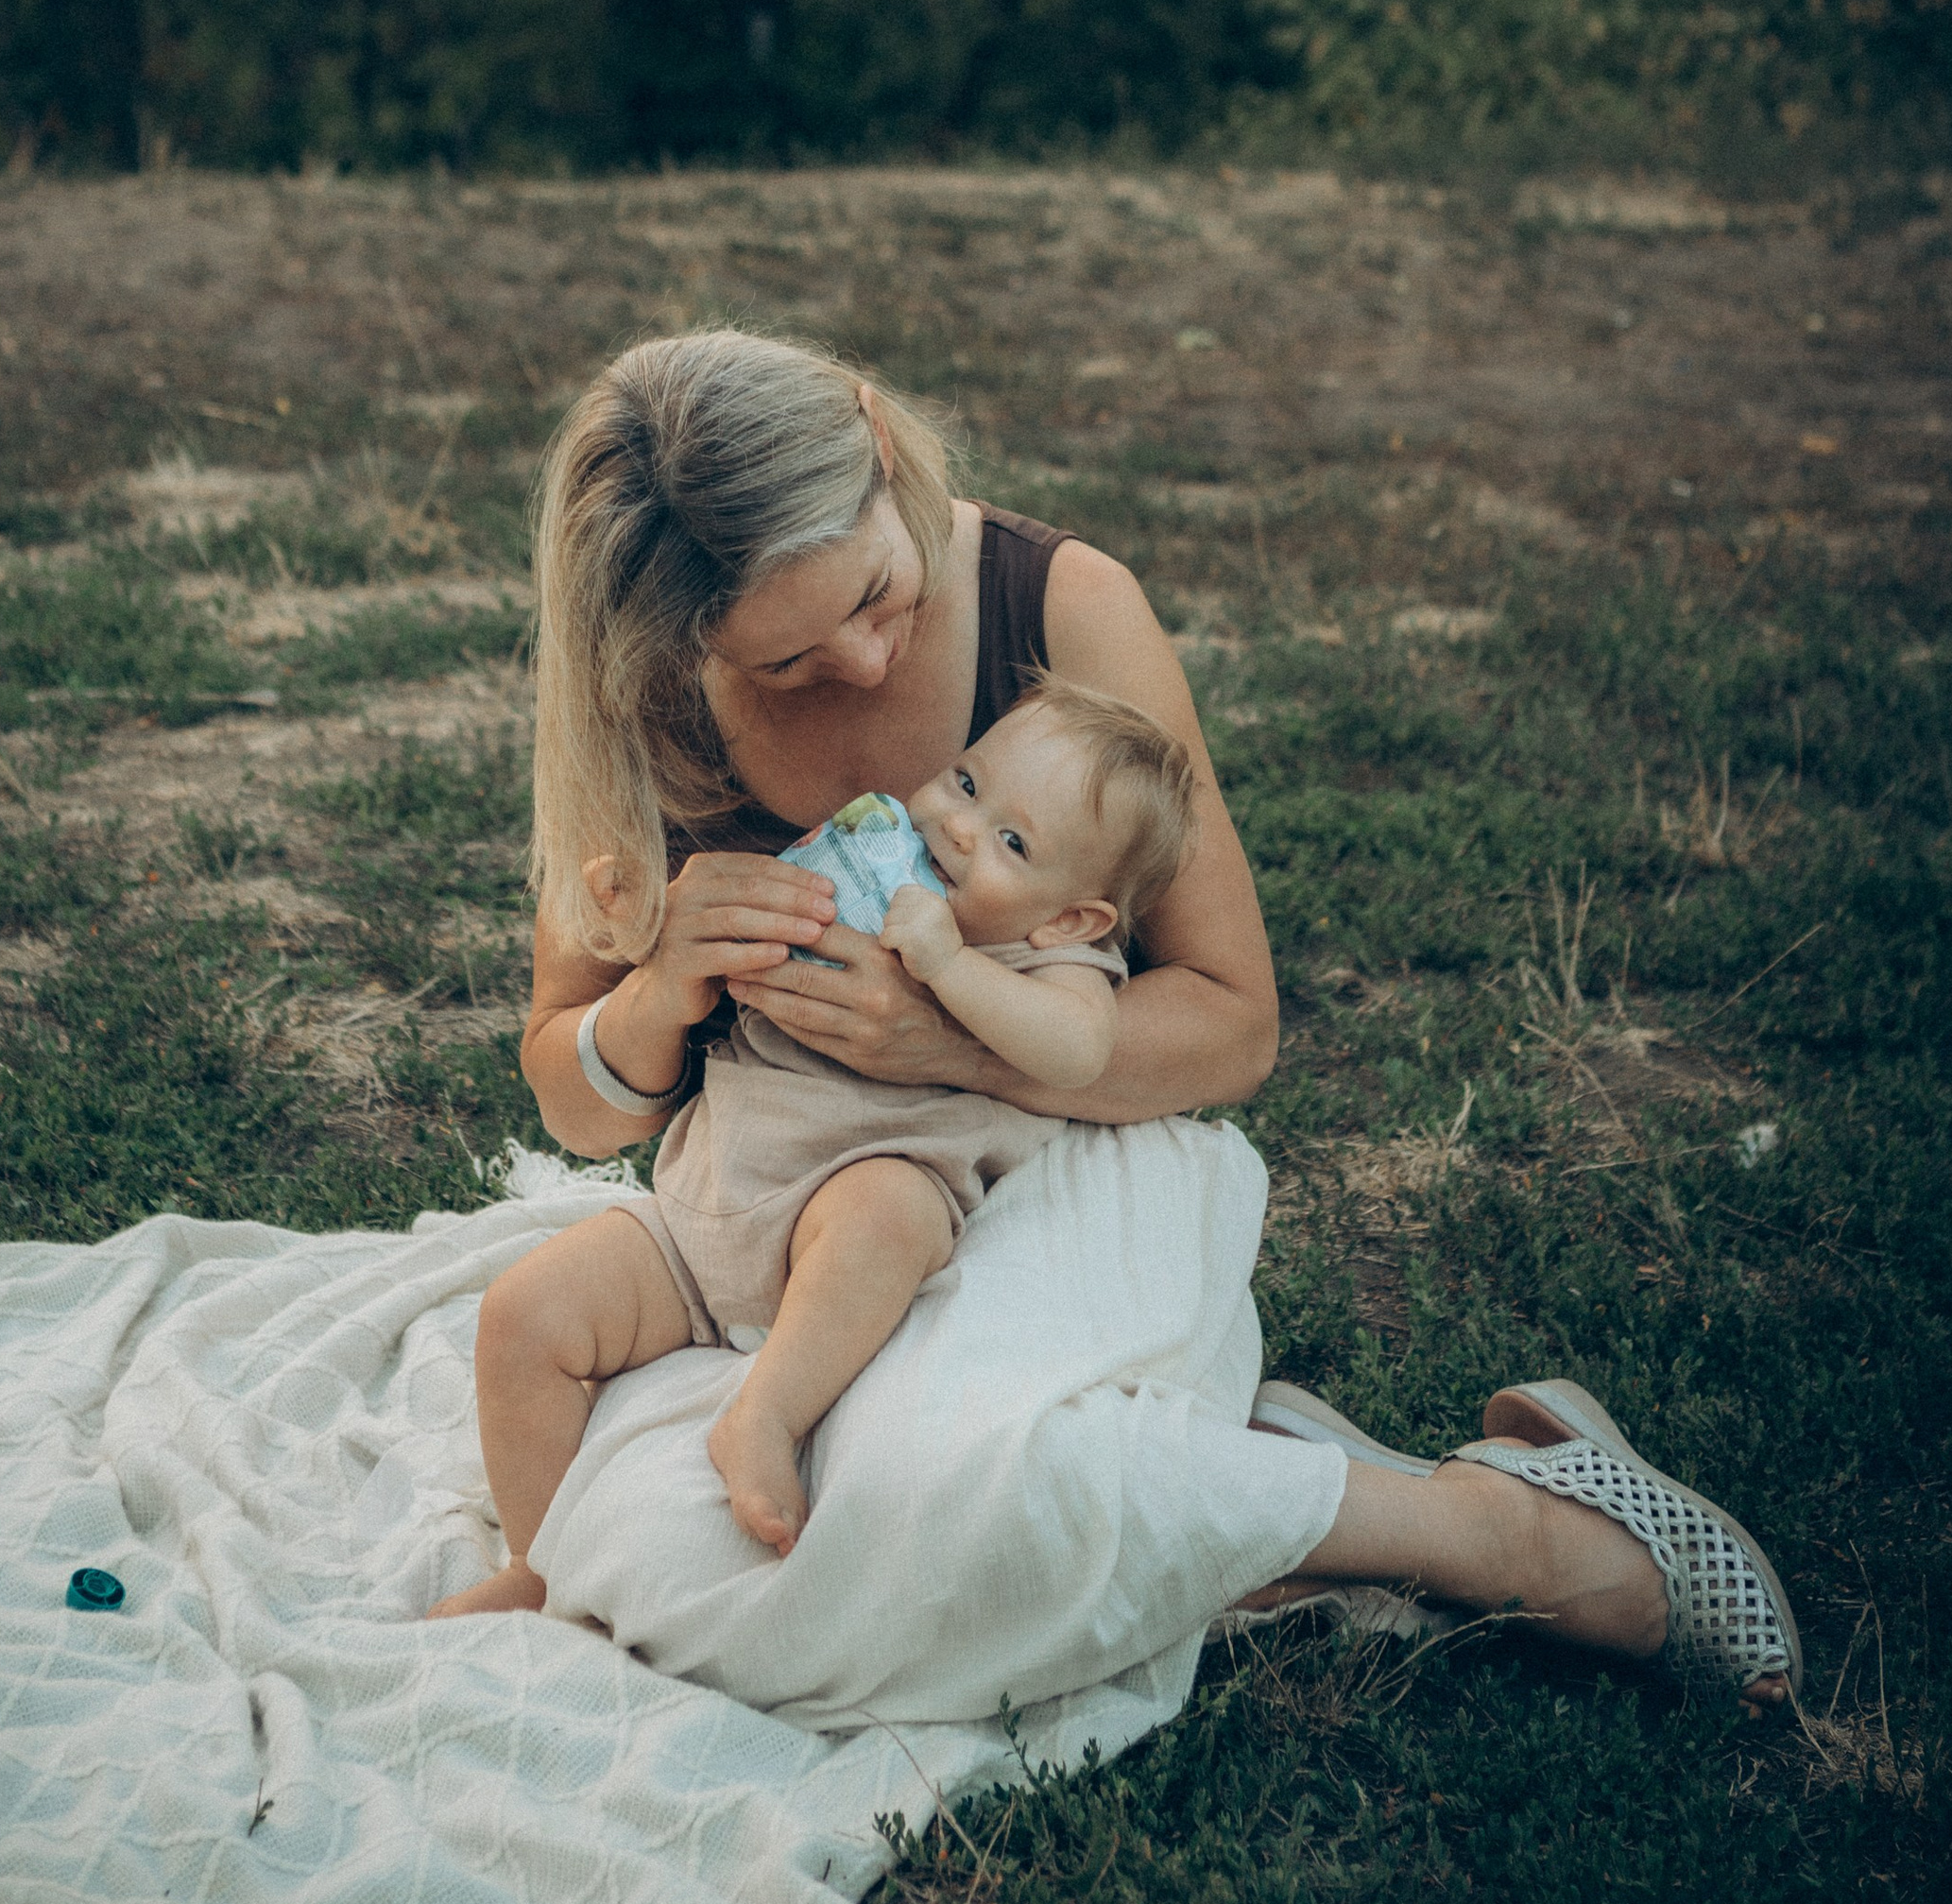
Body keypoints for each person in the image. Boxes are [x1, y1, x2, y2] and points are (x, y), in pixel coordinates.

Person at [481, 328, 1801, 1710]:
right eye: (790, 662)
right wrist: (655, 988)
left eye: (874, 595)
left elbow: (1233, 1028)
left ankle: (1497, 1529)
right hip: (759, 1212)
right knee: (770, 1559)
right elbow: (577, 1100)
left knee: (939, 1496)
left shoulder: (1060, 609)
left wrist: (938, 1041)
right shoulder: (646, 686)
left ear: (878, 443)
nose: (867, 664)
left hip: (1060, 1150)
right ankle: (1242, 1519)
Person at [429, 679, 1192, 1609]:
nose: (958, 828)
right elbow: (753, 942)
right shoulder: (866, 857)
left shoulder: (1052, 961)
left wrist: (948, 966)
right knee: (520, 1315)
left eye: (1012, 842)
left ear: (1071, 916)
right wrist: (657, 926)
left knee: (888, 1214)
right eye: (965, 784)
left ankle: (764, 1416)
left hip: (848, 1209)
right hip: (701, 1215)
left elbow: (1078, 1052)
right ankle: (537, 1565)